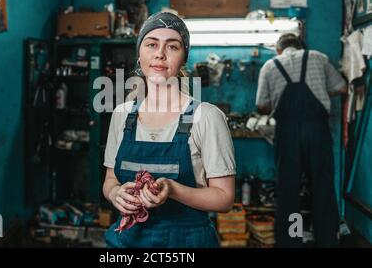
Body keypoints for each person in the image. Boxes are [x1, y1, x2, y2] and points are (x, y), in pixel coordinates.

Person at [102, 12, 236, 248]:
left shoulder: (206, 117)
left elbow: (224, 199)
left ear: (183, 58)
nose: (160, 54)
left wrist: (173, 189)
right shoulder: (122, 115)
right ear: (139, 53)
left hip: (187, 241)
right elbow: (110, 180)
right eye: (151, 44)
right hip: (128, 239)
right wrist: (115, 194)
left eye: (172, 46)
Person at [256, 33, 347, 247]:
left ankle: (292, 239)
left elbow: (262, 105)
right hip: (317, 130)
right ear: (299, 46)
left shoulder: (270, 66)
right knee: (322, 185)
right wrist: (321, 91)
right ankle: (327, 239)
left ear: (279, 50)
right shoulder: (318, 57)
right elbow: (342, 88)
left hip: (287, 133)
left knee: (290, 189)